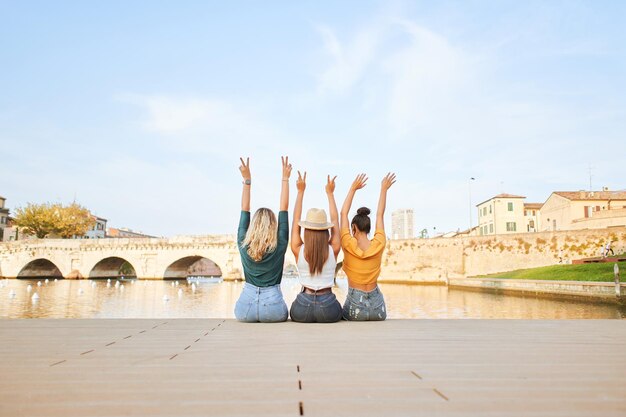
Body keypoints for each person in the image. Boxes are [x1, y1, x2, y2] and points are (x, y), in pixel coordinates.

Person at [234, 156, 292, 323]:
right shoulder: (280, 243)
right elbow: (284, 208)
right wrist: (285, 179)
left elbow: (244, 208)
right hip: (273, 308)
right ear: (273, 225)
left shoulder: (242, 241)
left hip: (245, 309)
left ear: (253, 225)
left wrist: (247, 180)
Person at [340, 172, 396, 321]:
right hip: (378, 309)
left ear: (353, 228)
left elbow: (343, 213)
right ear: (369, 228)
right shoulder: (379, 243)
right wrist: (384, 189)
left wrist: (353, 188)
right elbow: (380, 215)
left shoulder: (347, 243)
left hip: (355, 307)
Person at [289, 172, 342, 323]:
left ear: (306, 230)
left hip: (302, 307)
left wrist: (300, 192)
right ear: (326, 231)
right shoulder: (334, 249)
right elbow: (334, 220)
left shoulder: (298, 249)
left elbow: (295, 221)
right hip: (328, 308)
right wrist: (330, 194)